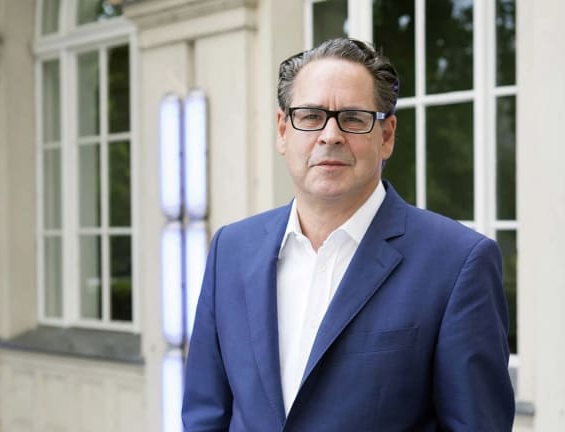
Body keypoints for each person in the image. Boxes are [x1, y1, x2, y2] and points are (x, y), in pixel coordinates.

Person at [182, 37, 514, 431]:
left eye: (354, 118)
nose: (330, 135)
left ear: (386, 135)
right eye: (310, 115)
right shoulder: (231, 250)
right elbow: (206, 414)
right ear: (283, 130)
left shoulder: (459, 263)